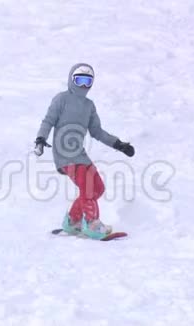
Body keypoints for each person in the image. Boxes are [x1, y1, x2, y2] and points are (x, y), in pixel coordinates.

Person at [34, 63, 135, 239]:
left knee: (98, 188)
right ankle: (92, 223)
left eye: (87, 82)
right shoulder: (61, 99)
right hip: (63, 152)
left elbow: (97, 132)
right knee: (87, 187)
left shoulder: (89, 105)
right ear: (71, 80)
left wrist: (119, 144)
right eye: (79, 80)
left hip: (79, 154)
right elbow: (48, 120)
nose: (83, 86)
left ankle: (73, 221)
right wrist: (41, 139)